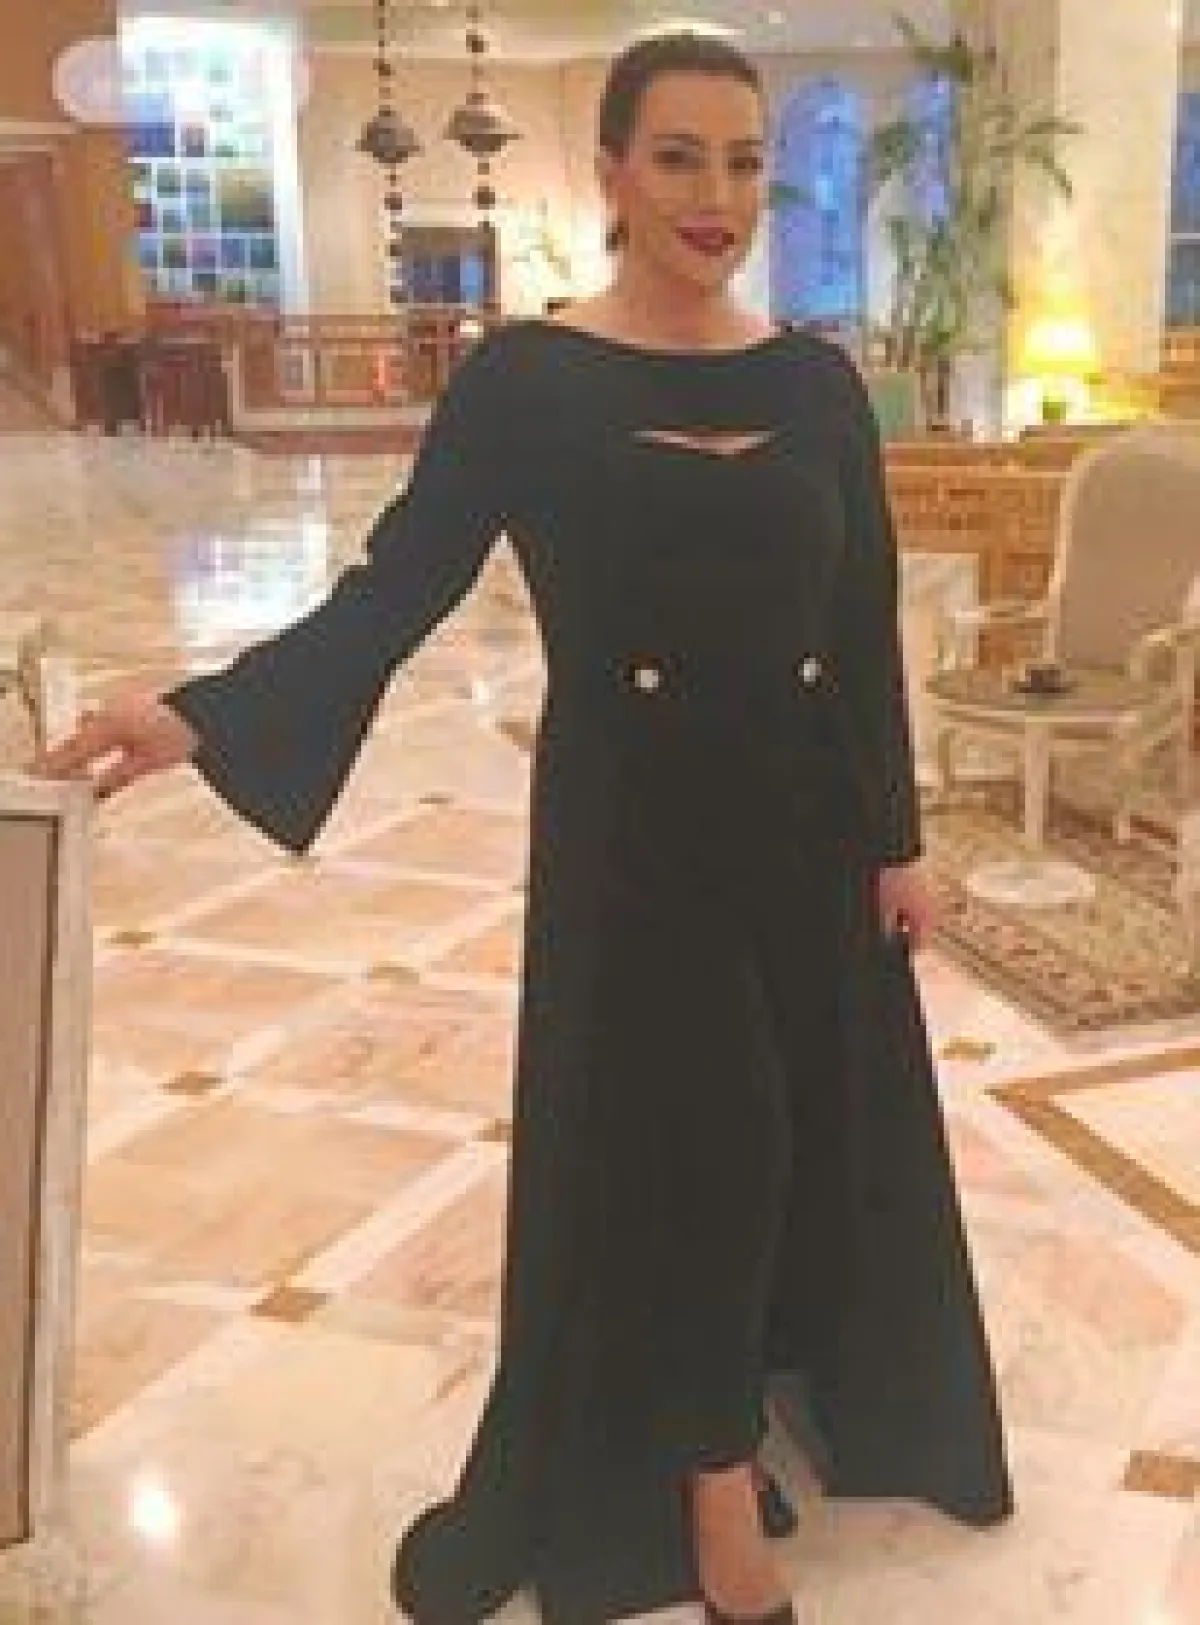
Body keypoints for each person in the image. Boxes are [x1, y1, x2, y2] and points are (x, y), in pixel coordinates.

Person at [37, 30, 1014, 1625]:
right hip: (634, 831)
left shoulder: (816, 381)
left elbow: (857, 619)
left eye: (745, 159)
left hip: (802, 823)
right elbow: (400, 584)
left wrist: (895, 839)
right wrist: (205, 711)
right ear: (614, 171)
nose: (716, 193)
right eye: (680, 156)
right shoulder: (527, 382)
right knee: (718, 1139)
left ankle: (749, 1390)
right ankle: (711, 1488)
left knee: (793, 1135)